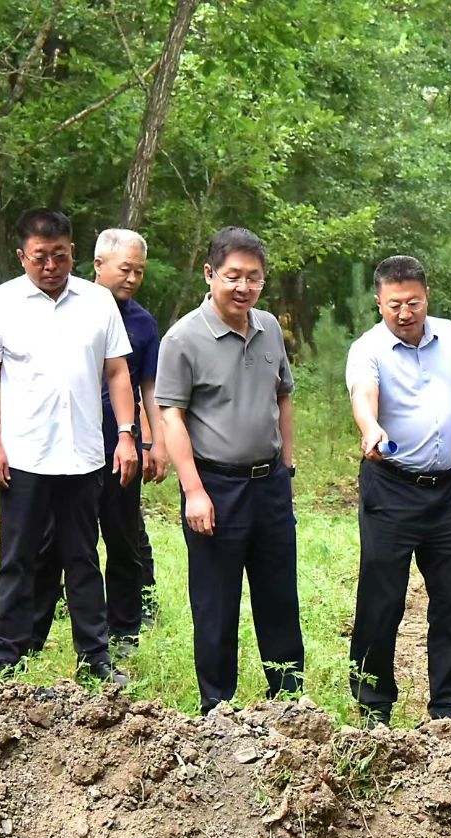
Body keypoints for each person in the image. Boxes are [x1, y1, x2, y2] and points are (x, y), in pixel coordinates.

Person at [0, 208, 137, 684]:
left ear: (73, 251)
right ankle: (7, 660)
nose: (51, 266)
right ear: (22, 255)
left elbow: (117, 371)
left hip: (83, 454)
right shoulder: (0, 303)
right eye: (40, 257)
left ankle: (95, 659)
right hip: (24, 455)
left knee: (83, 557)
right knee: (17, 559)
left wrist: (126, 433)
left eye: (60, 256)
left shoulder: (97, 302)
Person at [156, 227, 303, 715]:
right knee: (216, 603)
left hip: (270, 485)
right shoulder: (183, 338)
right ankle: (217, 709)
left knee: (279, 596)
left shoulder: (269, 327)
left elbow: (283, 395)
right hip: (215, 487)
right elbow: (171, 416)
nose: (244, 287)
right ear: (210, 273)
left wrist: (287, 466)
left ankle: (289, 703)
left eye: (253, 277)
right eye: (233, 276)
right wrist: (193, 490)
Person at [346, 255, 451, 727]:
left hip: (446, 490)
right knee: (381, 600)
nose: (404, 313)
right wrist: (370, 428)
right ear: (379, 302)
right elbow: (364, 396)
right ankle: (374, 707)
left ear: (427, 298)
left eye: (413, 303)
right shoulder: (367, 349)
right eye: (394, 305)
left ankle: (448, 706)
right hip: (391, 487)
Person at [31, 228, 167, 655]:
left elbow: (149, 387)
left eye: (139, 271)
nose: (132, 278)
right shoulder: (67, 307)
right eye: (125, 269)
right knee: (58, 541)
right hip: (66, 446)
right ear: (98, 264)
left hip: (120, 446)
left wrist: (154, 443)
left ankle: (125, 628)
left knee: (123, 536)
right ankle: (36, 632)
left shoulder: (143, 323)